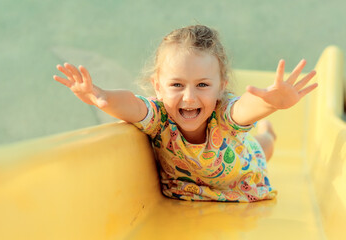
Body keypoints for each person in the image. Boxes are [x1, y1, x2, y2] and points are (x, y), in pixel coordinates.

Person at [53, 25, 317, 202]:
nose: (189, 97)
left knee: (262, 148)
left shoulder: (223, 113)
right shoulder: (158, 117)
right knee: (254, 144)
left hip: (242, 174)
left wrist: (270, 104)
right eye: (177, 85)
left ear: (221, 86)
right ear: (158, 85)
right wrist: (102, 97)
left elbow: (244, 108)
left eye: (202, 85)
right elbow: (132, 104)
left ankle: (268, 132)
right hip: (191, 190)